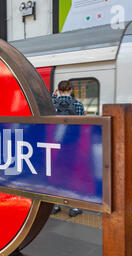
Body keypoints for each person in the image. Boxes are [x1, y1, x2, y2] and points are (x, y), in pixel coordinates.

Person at [51, 81, 85, 218]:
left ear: (58, 90)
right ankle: (74, 207)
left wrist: (53, 98)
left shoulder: (53, 104)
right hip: (72, 144)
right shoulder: (77, 104)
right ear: (71, 90)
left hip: (56, 143)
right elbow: (83, 124)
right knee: (72, 174)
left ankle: (55, 204)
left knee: (58, 173)